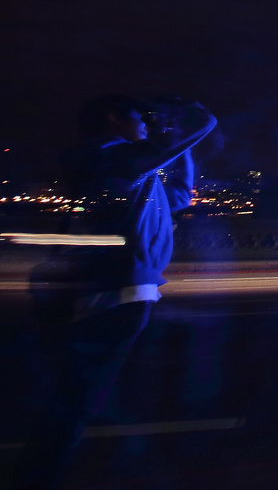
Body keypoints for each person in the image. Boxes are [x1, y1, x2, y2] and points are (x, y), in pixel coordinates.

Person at [15, 94, 217, 489]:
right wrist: (187, 114)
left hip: (120, 291)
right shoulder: (111, 158)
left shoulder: (126, 167)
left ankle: (46, 471)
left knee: (81, 396)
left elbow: (179, 195)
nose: (145, 122)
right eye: (137, 117)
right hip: (114, 293)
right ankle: (39, 477)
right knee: (77, 401)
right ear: (112, 121)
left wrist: (175, 146)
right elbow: (199, 128)